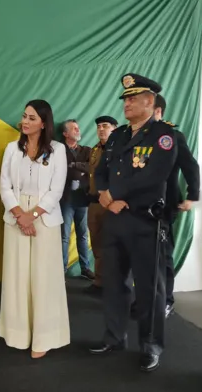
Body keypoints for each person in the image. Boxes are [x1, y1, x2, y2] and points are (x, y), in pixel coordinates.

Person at [88, 74, 177, 373]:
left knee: (150, 290)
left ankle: (151, 346)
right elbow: (101, 171)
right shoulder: (118, 136)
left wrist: (116, 193)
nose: (126, 103)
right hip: (115, 219)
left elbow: (154, 175)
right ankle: (114, 337)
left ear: (149, 102)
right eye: (125, 98)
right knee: (113, 284)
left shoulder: (164, 135)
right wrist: (105, 195)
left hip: (145, 222)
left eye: (132, 99)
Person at [0, 99, 69, 359]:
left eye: (31, 118)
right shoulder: (11, 149)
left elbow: (56, 190)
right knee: (17, 276)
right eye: (24, 116)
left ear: (44, 122)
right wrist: (19, 214)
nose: (25, 121)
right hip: (15, 216)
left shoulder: (58, 150)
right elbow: (4, 186)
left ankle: (44, 337)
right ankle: (17, 333)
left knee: (43, 278)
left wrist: (32, 216)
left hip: (44, 218)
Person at [153, 94, 200, 317]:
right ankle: (147, 298)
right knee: (143, 256)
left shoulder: (171, 135)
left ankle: (166, 299)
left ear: (158, 111)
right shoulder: (134, 136)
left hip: (165, 203)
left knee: (163, 255)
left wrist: (192, 195)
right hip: (137, 206)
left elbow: (190, 166)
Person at [85, 115, 118, 294]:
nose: (101, 129)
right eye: (98, 126)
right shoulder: (96, 150)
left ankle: (112, 285)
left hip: (111, 205)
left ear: (115, 128)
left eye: (105, 126)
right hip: (94, 204)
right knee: (96, 244)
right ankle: (99, 282)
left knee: (110, 246)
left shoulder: (120, 149)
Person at [60, 119, 95, 279]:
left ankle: (85, 268)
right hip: (65, 199)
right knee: (64, 236)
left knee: (82, 235)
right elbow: (57, 168)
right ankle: (62, 270)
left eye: (78, 128)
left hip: (82, 198)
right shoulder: (58, 150)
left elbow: (92, 167)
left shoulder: (87, 150)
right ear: (65, 133)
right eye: (74, 128)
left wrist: (74, 166)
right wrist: (81, 166)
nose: (78, 130)